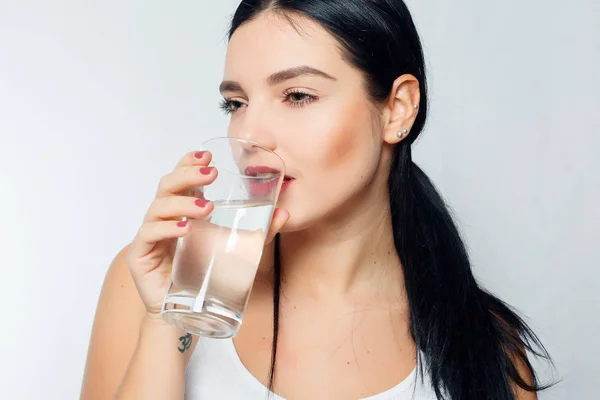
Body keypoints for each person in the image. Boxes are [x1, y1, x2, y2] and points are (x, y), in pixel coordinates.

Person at [81, 1, 555, 399]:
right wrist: (174, 317)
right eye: (236, 102)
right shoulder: (154, 282)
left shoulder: (485, 347)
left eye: (298, 95)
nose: (249, 135)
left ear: (397, 109)